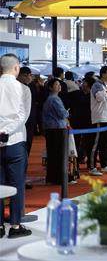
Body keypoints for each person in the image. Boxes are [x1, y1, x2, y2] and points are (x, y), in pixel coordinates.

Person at [0, 54, 32, 238]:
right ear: (16, 68)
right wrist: (6, 131)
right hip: (15, 141)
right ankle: (15, 225)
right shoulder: (23, 88)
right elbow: (22, 116)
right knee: (16, 184)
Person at [42, 78, 70, 185]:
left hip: (51, 129)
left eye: (59, 84)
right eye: (56, 84)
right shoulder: (54, 99)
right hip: (57, 129)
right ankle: (58, 178)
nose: (59, 86)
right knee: (58, 154)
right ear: (50, 87)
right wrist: (67, 112)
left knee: (53, 154)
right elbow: (63, 114)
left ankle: (52, 178)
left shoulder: (51, 98)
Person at [90, 65, 107, 176]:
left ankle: (104, 165)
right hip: (100, 117)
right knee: (96, 144)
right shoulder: (97, 85)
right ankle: (92, 167)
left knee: (105, 144)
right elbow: (100, 98)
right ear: (103, 74)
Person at [68, 78, 95, 170]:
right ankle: (75, 165)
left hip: (89, 122)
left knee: (90, 144)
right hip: (76, 122)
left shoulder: (93, 95)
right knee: (75, 143)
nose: (83, 84)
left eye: (85, 83)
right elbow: (69, 105)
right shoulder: (75, 94)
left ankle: (90, 164)